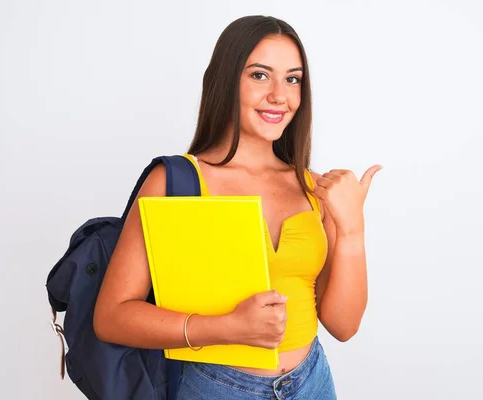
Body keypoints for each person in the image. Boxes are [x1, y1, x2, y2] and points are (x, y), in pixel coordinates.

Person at [93, 15, 381, 400]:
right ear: (226, 81)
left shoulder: (314, 187)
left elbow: (343, 326)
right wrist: (226, 328)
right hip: (217, 387)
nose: (280, 95)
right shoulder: (178, 182)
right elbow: (111, 318)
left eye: (293, 79)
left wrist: (352, 231)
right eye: (260, 75)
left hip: (312, 383)